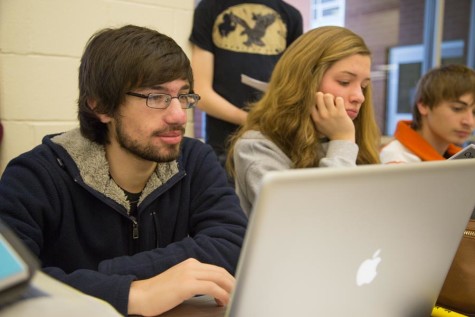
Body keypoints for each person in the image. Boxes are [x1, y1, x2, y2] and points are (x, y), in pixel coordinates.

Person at [0, 25, 248, 316]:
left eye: (183, 96)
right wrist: (129, 293)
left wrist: (117, 273)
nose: (179, 115)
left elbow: (233, 242)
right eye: (156, 98)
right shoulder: (34, 176)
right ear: (101, 106)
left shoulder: (195, 159)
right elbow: (8, 281)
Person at [226, 26, 381, 215]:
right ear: (305, 81)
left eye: (364, 86)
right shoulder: (257, 147)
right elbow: (313, 221)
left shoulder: (350, 142)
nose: (359, 97)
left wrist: (387, 190)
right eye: (344, 82)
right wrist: (342, 141)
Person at [189, 0, 303, 168]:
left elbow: (294, 86)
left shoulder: (291, 16)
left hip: (277, 145)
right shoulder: (209, 8)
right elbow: (200, 93)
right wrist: (252, 121)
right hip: (224, 146)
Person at [380, 64, 475, 163]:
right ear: (424, 105)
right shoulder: (397, 159)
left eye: (474, 112)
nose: (469, 122)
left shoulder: (460, 159)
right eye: (457, 108)